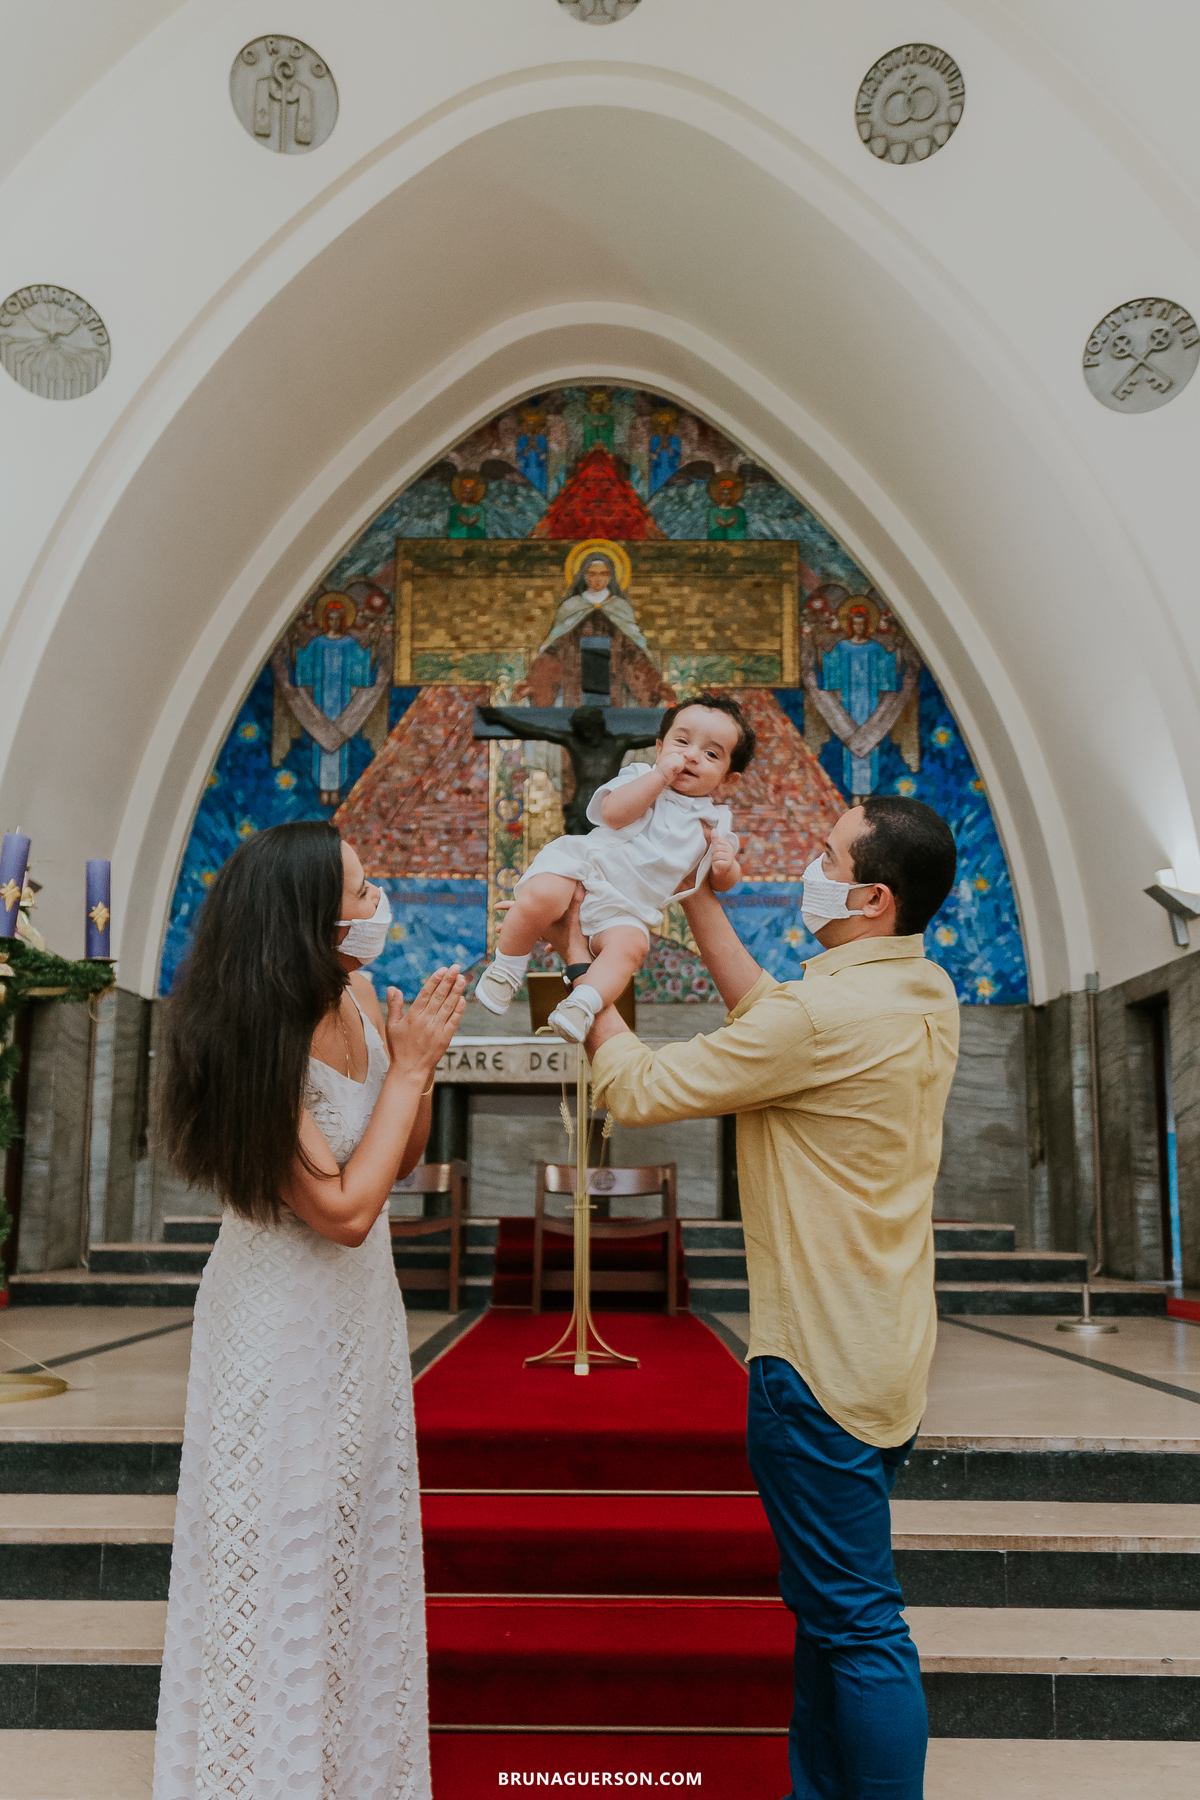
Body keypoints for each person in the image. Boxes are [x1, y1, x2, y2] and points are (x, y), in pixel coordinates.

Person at [580, 796, 960, 1800]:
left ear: (871, 896)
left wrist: (580, 990)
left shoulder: (820, 1016)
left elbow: (639, 1092)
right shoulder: (924, 988)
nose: (808, 862)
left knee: (860, 1624)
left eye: (826, 853)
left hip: (818, 1369)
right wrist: (702, 899)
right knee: (832, 1617)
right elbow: (775, 1018)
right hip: (886, 1354)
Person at [152, 820, 465, 1800]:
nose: (379, 905)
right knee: (281, 1557)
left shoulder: (358, 993)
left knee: (353, 1551)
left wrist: (419, 1061)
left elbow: (397, 1164)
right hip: (279, 1320)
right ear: (306, 919)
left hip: (359, 1316)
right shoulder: (257, 1033)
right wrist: (411, 1071)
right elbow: (338, 1207)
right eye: (363, 891)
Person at [474, 694, 755, 1043]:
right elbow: (614, 814)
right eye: (681, 742)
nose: (691, 755)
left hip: (627, 906)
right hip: (585, 868)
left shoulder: (716, 823)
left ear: (728, 779)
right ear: (659, 747)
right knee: (540, 896)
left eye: (711, 754)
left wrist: (726, 867)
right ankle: (507, 966)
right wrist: (658, 778)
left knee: (631, 947)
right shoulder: (639, 777)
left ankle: (583, 1003)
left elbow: (718, 882)